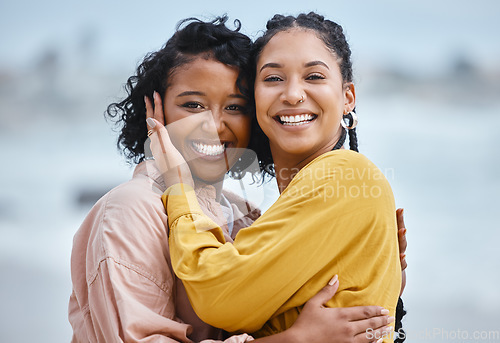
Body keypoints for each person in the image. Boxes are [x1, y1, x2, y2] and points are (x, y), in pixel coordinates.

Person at [68, 16, 400, 343]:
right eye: (193, 104)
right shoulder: (132, 210)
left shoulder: (245, 217)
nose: (213, 125)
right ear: (156, 109)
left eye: (235, 107)